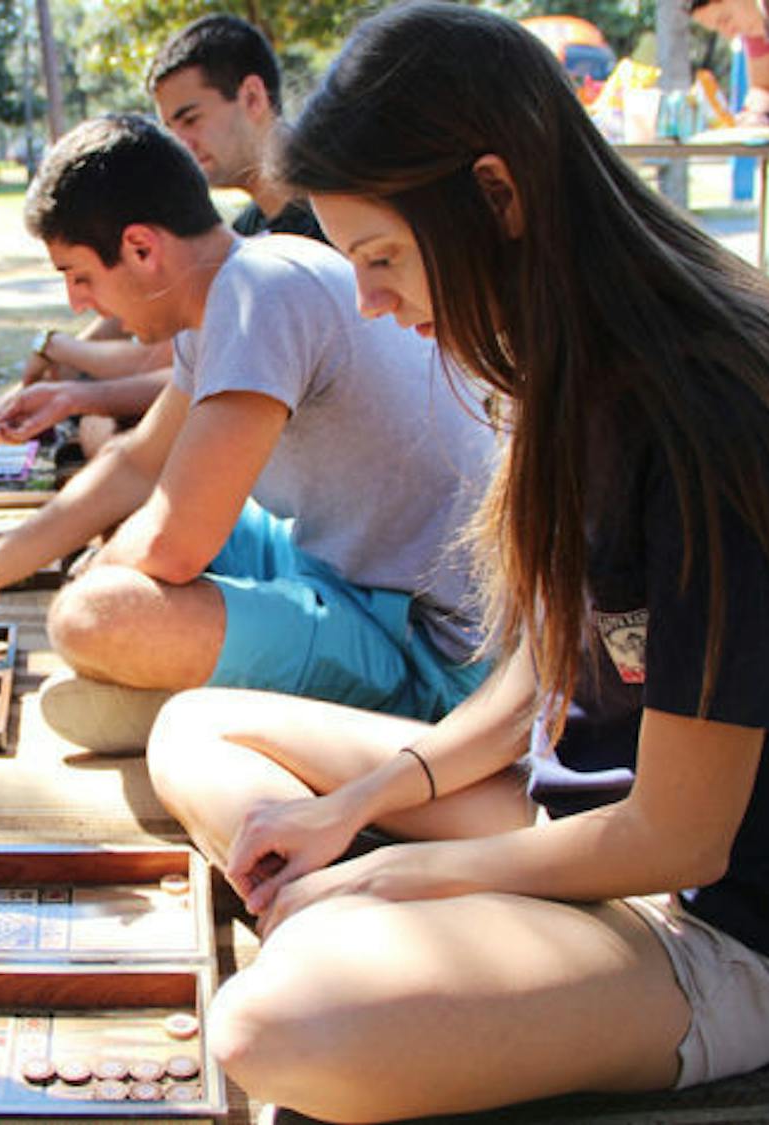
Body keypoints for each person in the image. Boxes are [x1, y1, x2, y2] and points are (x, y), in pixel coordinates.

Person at [147, 4, 769, 1119]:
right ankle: (347, 918)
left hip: (710, 920)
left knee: (276, 1027)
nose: (374, 305)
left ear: (496, 194)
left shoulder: (709, 414)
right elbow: (555, 663)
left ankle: (355, 934)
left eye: (381, 259)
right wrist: (369, 806)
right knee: (195, 726)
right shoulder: (567, 360)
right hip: (573, 824)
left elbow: (683, 834)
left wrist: (391, 872)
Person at [0, 114, 494, 755]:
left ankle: (223, 706)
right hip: (335, 562)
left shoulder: (262, 294)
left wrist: (93, 585)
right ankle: (203, 689)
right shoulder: (236, 289)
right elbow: (138, 465)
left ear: (142, 248)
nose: (77, 303)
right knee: (121, 556)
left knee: (92, 617)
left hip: (425, 647)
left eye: (79, 275)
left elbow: (175, 549)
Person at [0, 14, 325, 460]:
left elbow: (185, 372)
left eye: (190, 119)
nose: (180, 142)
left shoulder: (332, 225)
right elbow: (135, 326)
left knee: (112, 440)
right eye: (169, 127)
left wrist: (64, 362)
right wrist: (58, 361)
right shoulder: (248, 230)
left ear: (253, 96)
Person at [688, 0, 769, 125]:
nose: (729, 33)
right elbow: (762, 87)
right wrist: (755, 112)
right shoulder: (753, 30)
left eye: (725, 19)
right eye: (718, 29)